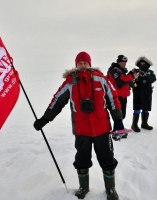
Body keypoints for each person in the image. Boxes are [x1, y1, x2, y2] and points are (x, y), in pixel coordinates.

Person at [33, 51, 127, 200]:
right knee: (81, 159)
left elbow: (113, 98)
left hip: (102, 128)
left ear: (89, 64)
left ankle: (111, 189)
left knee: (107, 159)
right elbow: (57, 101)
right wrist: (45, 119)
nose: (82, 65)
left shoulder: (101, 79)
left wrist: (118, 120)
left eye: (85, 63)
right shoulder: (70, 82)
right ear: (76, 65)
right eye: (79, 63)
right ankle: (83, 187)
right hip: (82, 130)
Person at [107, 55, 139, 120]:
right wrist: (132, 76)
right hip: (117, 96)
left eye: (125, 62)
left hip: (123, 96)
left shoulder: (121, 70)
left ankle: (120, 128)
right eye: (122, 62)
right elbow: (120, 81)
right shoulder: (114, 70)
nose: (123, 64)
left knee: (122, 115)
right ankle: (118, 128)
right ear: (118, 62)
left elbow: (124, 79)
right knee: (118, 115)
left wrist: (131, 73)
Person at [131, 56, 156, 132]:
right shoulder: (135, 71)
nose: (142, 65)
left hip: (147, 94)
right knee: (137, 109)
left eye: (143, 63)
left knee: (146, 109)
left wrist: (145, 74)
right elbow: (130, 82)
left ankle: (144, 124)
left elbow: (153, 79)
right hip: (137, 93)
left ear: (147, 64)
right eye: (141, 63)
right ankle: (134, 125)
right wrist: (134, 85)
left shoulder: (150, 72)